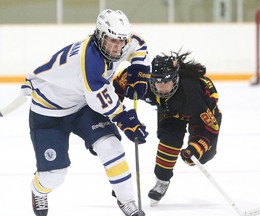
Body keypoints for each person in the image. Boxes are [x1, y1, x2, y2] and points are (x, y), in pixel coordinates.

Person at [20, 9, 151, 216]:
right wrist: (125, 119)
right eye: (112, 41)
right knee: (55, 176)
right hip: (49, 112)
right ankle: (38, 189)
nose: (117, 48)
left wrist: (139, 68)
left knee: (111, 147)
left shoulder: (118, 43)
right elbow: (103, 102)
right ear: (99, 36)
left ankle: (127, 201)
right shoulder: (90, 62)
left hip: (80, 105)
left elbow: (139, 44)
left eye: (121, 41)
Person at [113, 51, 222, 207]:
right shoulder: (141, 79)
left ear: (175, 78)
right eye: (157, 82)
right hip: (170, 111)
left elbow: (209, 129)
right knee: (170, 138)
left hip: (201, 115)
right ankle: (162, 181)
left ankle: (196, 153)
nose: (162, 87)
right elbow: (114, 88)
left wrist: (196, 147)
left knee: (200, 158)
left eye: (166, 82)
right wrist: (120, 116)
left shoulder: (192, 95)